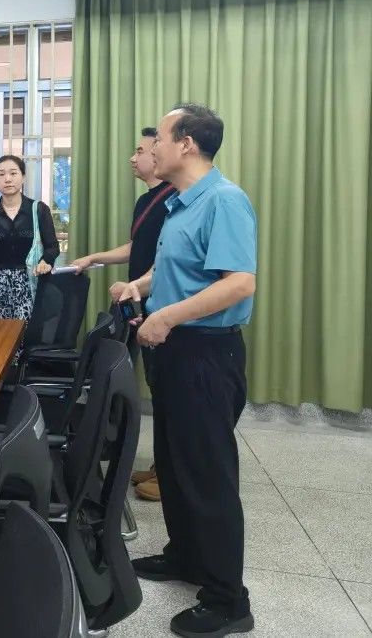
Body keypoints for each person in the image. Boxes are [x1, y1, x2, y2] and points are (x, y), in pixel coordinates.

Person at [115, 105, 257, 638]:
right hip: (174, 351)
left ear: (187, 144)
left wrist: (168, 315)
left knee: (207, 474)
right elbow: (172, 268)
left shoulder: (224, 200)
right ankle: (186, 556)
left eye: (161, 137)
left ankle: (228, 600)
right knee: (174, 464)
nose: (152, 147)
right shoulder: (179, 202)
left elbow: (238, 282)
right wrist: (140, 287)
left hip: (204, 354)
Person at [70, 127, 175, 501]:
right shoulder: (147, 201)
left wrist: (136, 286)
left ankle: (171, 472)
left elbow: (168, 259)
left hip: (164, 305)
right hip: (143, 303)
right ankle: (162, 464)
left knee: (169, 390)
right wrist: (95, 257)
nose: (133, 158)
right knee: (157, 385)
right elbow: (136, 247)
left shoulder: (174, 199)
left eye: (141, 150)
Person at [0, 155, 59, 322]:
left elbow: (53, 246)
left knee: (30, 336)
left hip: (32, 286)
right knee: (1, 337)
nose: (7, 179)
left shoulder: (39, 210)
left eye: (13, 173)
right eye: (1, 174)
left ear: (23, 177)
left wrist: (45, 260)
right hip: (0, 290)